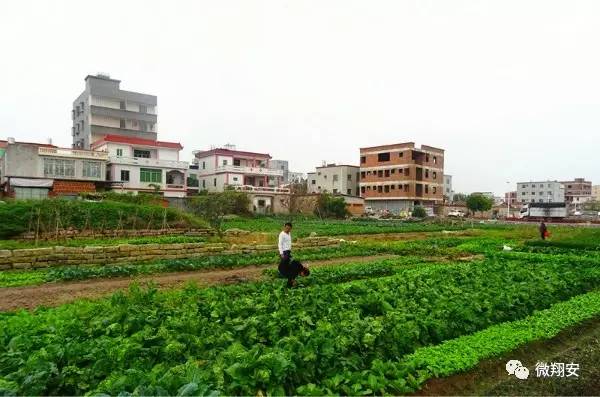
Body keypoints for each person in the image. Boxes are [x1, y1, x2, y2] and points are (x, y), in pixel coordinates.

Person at [278, 222, 310, 287]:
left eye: (289, 228)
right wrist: (281, 253)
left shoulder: (289, 233)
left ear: (291, 229)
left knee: (288, 264)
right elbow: (280, 244)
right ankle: (290, 284)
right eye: (287, 228)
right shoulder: (282, 234)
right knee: (286, 261)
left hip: (288, 251)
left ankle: (290, 284)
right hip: (284, 251)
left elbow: (296, 263)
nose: (288, 229)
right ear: (284, 227)